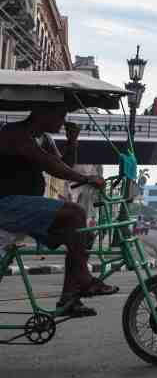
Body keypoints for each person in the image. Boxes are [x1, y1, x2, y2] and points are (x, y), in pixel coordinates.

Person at [0, 103, 110, 317]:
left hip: (25, 209)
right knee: (76, 213)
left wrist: (72, 142)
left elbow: (63, 166)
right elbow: (49, 164)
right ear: (43, 113)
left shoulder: (45, 139)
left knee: (80, 236)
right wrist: (86, 178)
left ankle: (69, 299)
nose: (63, 121)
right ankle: (85, 280)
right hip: (7, 204)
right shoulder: (15, 133)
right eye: (61, 115)